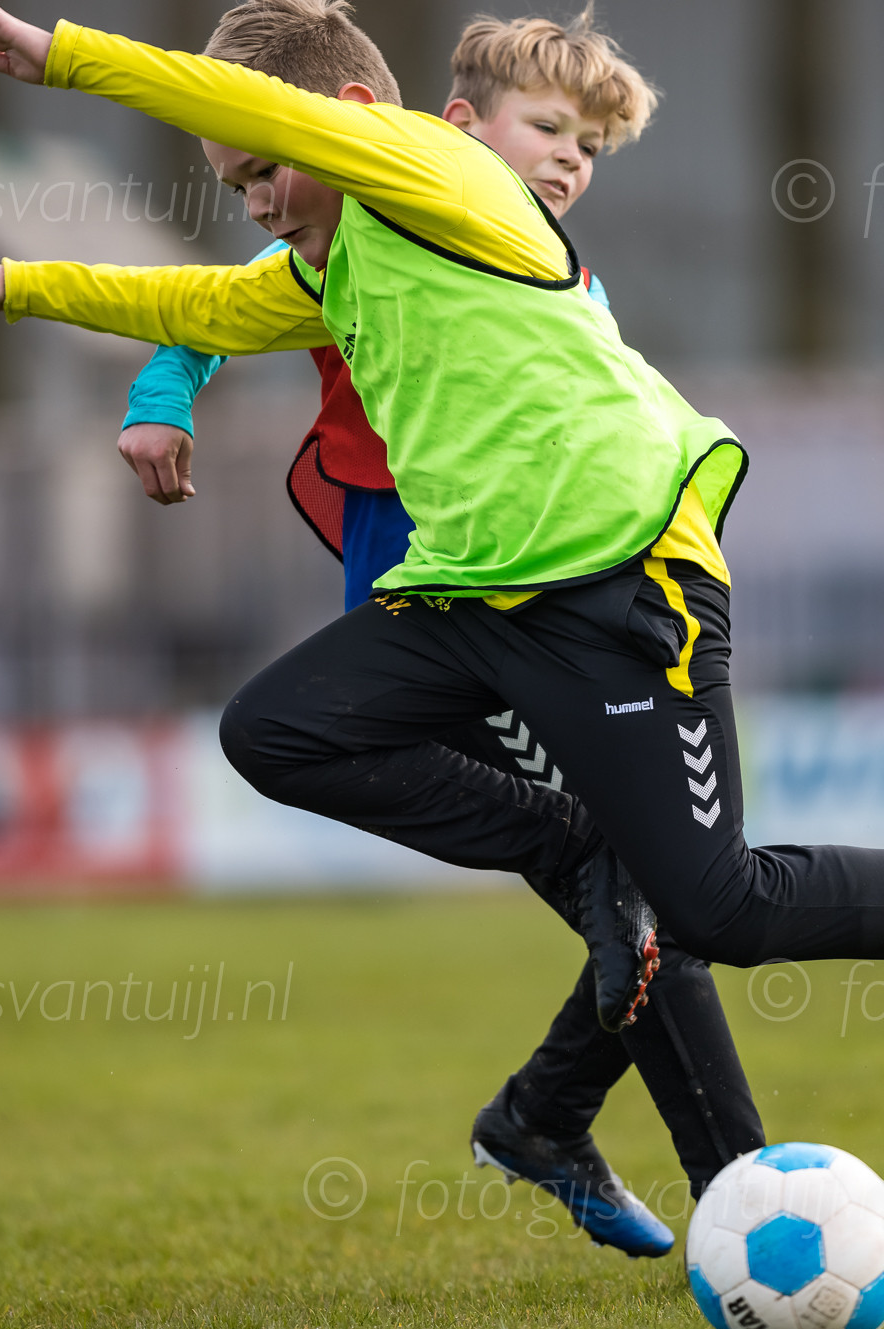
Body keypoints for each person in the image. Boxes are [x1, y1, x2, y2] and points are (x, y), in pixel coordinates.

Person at [0, 0, 884, 1205]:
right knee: (273, 729)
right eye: (236, 187)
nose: (258, 200)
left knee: (717, 907)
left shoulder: (441, 174)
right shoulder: (336, 261)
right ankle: (572, 878)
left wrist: (59, 53)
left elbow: (240, 112)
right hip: (475, 597)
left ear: (348, 118)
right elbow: (204, 303)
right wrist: (17, 286)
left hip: (620, 581)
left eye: (264, 169)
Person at [109, 4, 765, 1258]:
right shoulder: (369, 198)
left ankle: (554, 1123)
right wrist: (160, 389)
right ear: (447, 125)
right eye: (546, 131)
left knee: (638, 890)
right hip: (440, 599)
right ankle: (724, 1183)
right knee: (629, 881)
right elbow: (219, 301)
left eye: (587, 146)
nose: (567, 160)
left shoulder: (535, 257)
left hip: (542, 589)